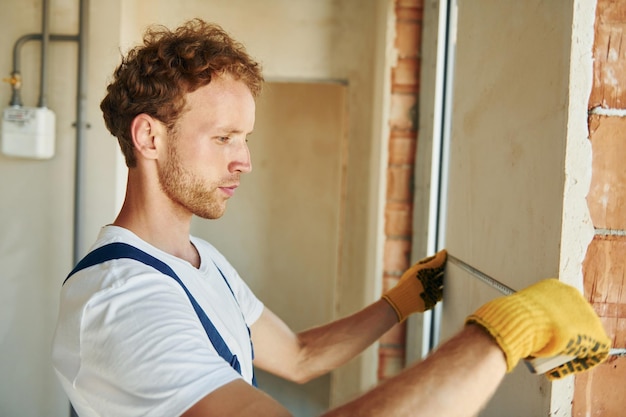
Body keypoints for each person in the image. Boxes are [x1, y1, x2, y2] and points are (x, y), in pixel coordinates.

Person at [52, 19, 611, 417]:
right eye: (224, 138)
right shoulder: (118, 301)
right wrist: (501, 336)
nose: (245, 160)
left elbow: (298, 356)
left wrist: (399, 303)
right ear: (149, 135)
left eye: (245, 139)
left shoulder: (199, 263)